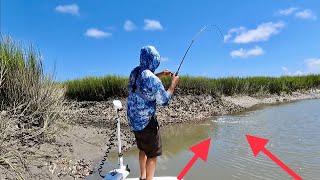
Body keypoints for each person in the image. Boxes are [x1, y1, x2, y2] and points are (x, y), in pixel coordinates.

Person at [127, 46, 180, 180]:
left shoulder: (135, 72)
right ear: (154, 60)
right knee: (152, 155)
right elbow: (164, 100)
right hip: (146, 123)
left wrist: (161, 74)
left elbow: (143, 82)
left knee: (142, 149)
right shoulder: (152, 79)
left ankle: (142, 176)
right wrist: (173, 84)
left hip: (133, 121)